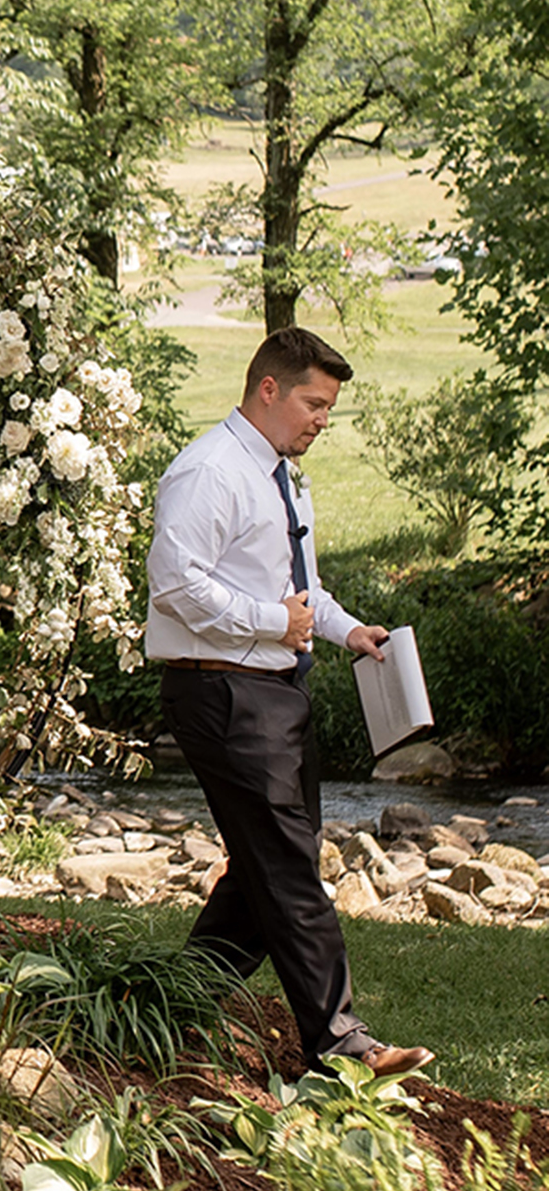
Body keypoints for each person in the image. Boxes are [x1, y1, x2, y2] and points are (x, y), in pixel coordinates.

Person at [146, 327, 433, 1076]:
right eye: (313, 402)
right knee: (288, 868)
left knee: (272, 862)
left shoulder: (280, 472)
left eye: (329, 408)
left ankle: (171, 1008)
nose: (321, 420)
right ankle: (341, 1044)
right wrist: (279, 623)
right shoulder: (208, 470)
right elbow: (175, 585)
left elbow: (295, 587)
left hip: (274, 689)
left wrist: (345, 633)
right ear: (267, 388)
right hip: (223, 691)